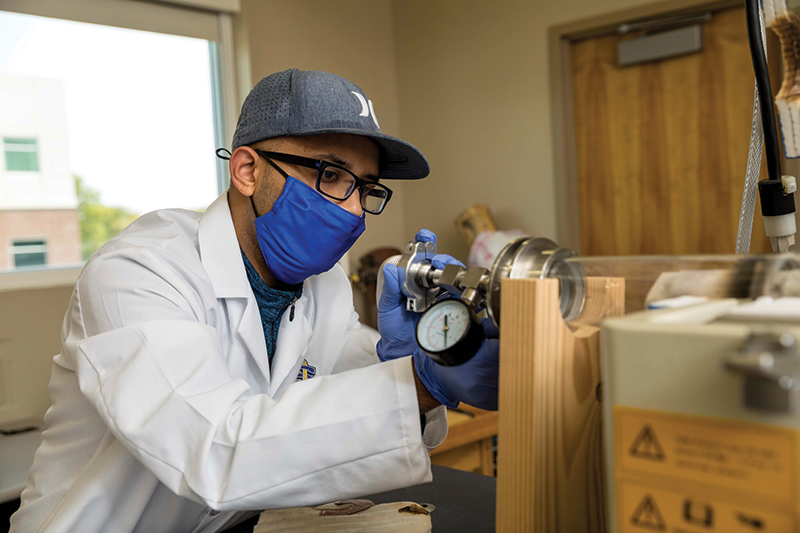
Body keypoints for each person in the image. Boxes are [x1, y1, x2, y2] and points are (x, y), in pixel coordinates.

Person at [10, 69, 499, 533]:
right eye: (332, 175)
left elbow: (347, 394)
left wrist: (433, 351)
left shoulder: (323, 284)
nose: (353, 208)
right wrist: (416, 383)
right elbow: (214, 447)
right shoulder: (140, 272)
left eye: (366, 188)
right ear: (246, 170)